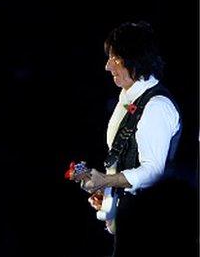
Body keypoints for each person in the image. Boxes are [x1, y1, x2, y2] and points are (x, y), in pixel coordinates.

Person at [81, 21, 196, 256]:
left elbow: (153, 172)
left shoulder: (156, 106)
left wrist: (106, 181)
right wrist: (109, 195)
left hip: (155, 230)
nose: (107, 66)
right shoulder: (129, 98)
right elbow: (126, 163)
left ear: (133, 59)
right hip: (134, 223)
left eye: (115, 58)